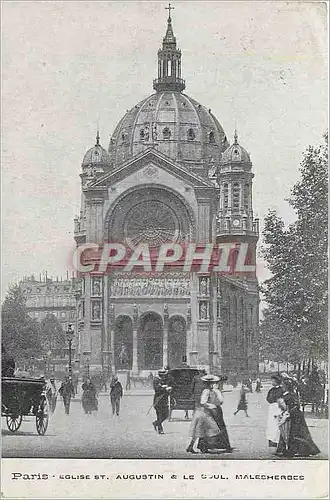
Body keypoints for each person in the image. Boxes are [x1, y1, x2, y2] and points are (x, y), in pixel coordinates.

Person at [276, 377, 320, 457]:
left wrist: (289, 412)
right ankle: (286, 449)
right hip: (290, 415)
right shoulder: (285, 395)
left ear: (287, 386)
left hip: (296, 417)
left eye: (283, 385)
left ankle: (298, 450)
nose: (282, 386)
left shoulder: (292, 395)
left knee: (297, 433)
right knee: (286, 432)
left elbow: (297, 405)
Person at [187, 374, 232, 454]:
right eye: (212, 383)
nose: (214, 384)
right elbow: (203, 402)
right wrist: (211, 406)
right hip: (204, 413)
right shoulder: (206, 391)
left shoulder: (209, 390)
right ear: (210, 383)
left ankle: (194, 446)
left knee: (200, 430)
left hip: (203, 412)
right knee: (210, 430)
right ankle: (204, 446)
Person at [266, 374, 283, 447]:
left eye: (273, 381)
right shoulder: (271, 390)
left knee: (277, 424)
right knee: (271, 424)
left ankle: (277, 440)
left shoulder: (281, 390)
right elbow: (268, 398)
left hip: (278, 407)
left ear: (277, 381)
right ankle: (271, 440)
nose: (272, 382)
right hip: (272, 407)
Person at [152, 369, 172, 434]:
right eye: (164, 375)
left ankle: (156, 423)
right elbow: (157, 389)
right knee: (159, 415)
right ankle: (160, 429)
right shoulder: (156, 380)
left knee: (166, 415)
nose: (165, 376)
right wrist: (165, 388)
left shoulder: (165, 380)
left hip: (165, 400)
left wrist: (169, 389)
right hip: (158, 400)